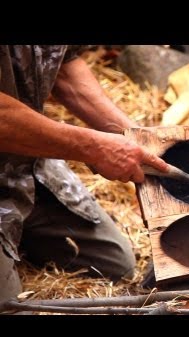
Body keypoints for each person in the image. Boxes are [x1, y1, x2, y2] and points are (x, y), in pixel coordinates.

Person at [0, 45, 169, 302]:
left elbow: (63, 64)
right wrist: (94, 147)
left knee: (117, 264)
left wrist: (135, 139)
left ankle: (20, 237)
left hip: (27, 165)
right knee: (10, 304)